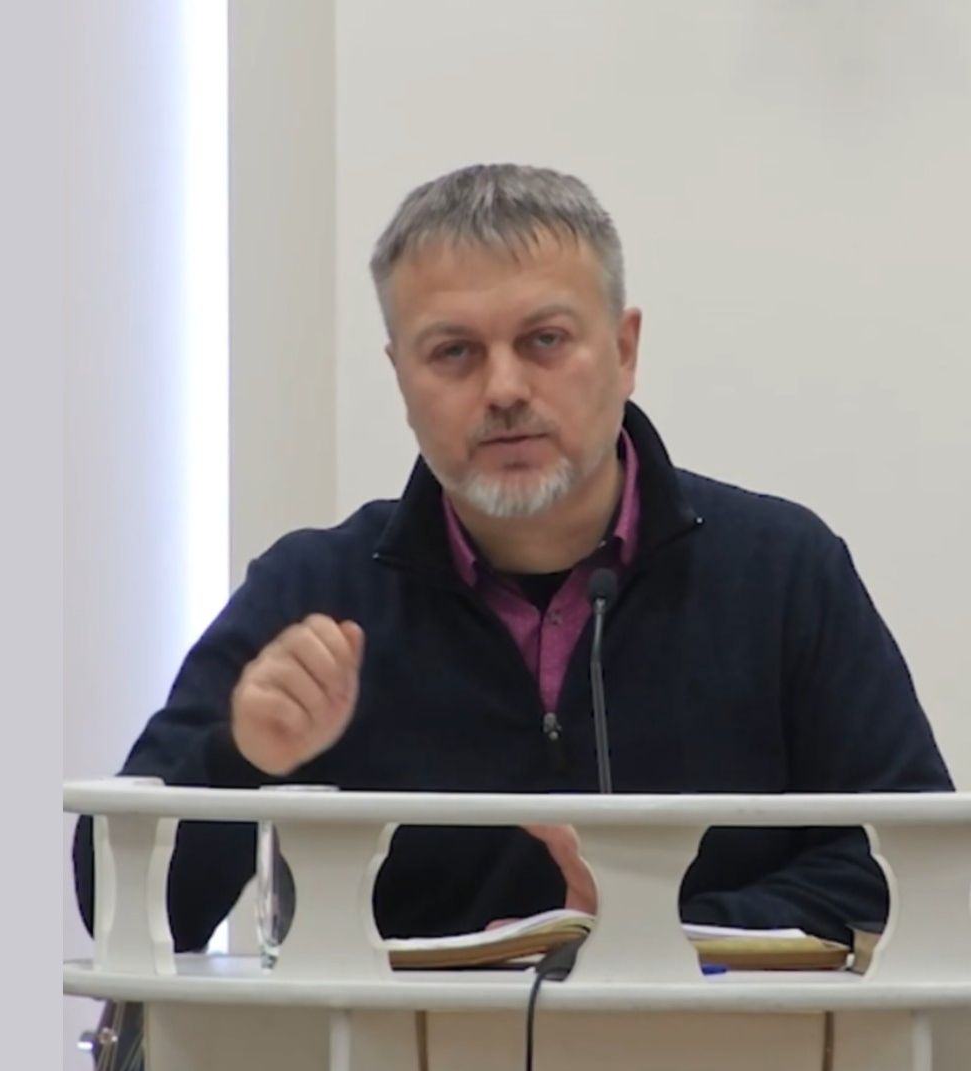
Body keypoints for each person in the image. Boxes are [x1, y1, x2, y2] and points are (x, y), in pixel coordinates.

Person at [71, 163, 954, 953]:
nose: (503, 389)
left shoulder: (782, 572)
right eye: (454, 353)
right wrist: (241, 757)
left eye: (544, 341)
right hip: (394, 1057)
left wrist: (662, 939)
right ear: (401, 376)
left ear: (625, 350)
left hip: (715, 1052)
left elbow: (914, 876)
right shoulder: (315, 592)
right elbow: (118, 905)